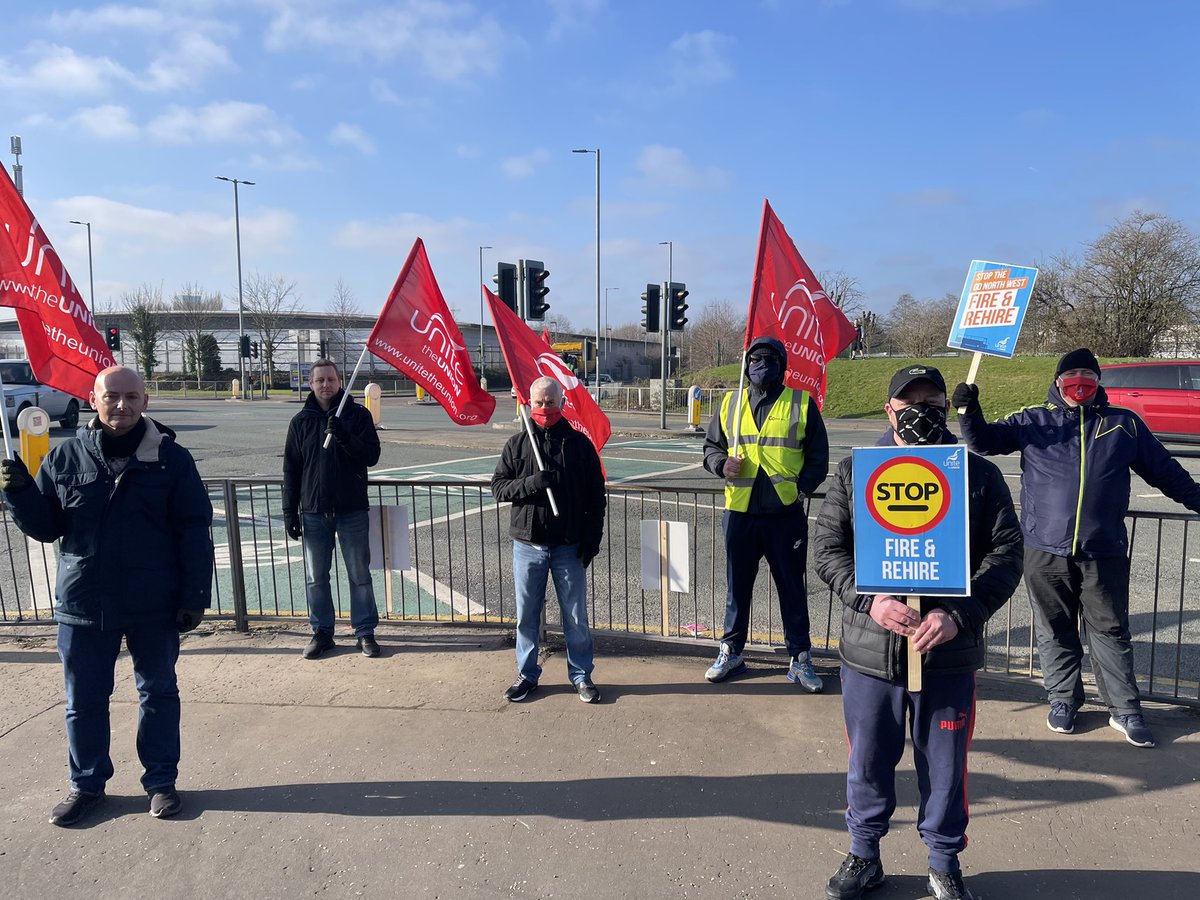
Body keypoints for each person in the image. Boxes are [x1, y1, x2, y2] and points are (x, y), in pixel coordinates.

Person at [814, 364, 1022, 900]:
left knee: (947, 770)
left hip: (947, 655)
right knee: (867, 761)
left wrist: (959, 615)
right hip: (871, 652)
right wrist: (871, 598)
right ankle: (864, 854)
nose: (922, 414)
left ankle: (944, 863)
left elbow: (1006, 556)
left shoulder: (977, 475)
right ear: (889, 410)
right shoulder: (852, 473)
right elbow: (828, 551)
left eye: (932, 404)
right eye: (910, 405)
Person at [953, 348, 1200, 749]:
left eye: (1088, 373)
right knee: (1055, 630)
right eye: (1072, 374)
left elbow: (1166, 473)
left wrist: (1197, 499)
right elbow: (985, 442)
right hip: (1044, 548)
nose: (1080, 380)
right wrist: (968, 412)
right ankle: (1064, 700)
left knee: (1111, 630)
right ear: (1057, 380)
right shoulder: (1033, 420)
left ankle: (1125, 709)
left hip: (1103, 551)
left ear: (1099, 381)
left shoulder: (1124, 425)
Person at [0, 366, 214, 826]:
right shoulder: (64, 458)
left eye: (132, 396)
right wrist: (18, 491)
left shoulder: (173, 460)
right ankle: (87, 785)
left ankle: (161, 782)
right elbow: (47, 527)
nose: (122, 405)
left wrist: (194, 594)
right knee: (83, 700)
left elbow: (194, 530)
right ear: (93, 400)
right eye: (112, 396)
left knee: (158, 692)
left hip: (152, 602)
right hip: (83, 601)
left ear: (145, 401)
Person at [701, 335, 828, 690]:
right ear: (747, 364)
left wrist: (800, 489)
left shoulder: (802, 403)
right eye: (755, 359)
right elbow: (711, 447)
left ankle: (800, 657)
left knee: (791, 588)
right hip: (739, 512)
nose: (762, 364)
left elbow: (818, 456)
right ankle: (731, 650)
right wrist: (720, 464)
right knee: (737, 588)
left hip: (784, 514)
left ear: (782, 365)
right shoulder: (731, 402)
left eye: (770, 359)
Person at [490, 376, 606, 703]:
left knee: (575, 617)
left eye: (550, 402)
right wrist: (532, 483)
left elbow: (596, 498)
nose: (544, 408)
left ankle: (581, 675)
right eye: (539, 402)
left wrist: (591, 540)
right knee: (527, 616)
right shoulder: (517, 444)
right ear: (529, 402)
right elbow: (499, 487)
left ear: (562, 403)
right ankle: (527, 675)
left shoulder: (580, 445)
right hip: (528, 545)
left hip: (569, 546)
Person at [283, 358, 382, 659]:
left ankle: (364, 631)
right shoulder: (300, 422)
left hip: (351, 509)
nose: (326, 385)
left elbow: (372, 455)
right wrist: (290, 511)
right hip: (314, 511)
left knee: (359, 575)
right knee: (316, 578)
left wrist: (343, 435)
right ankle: (322, 631)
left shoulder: (357, 415)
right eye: (319, 380)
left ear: (340, 381)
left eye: (331, 379)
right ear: (311, 384)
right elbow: (292, 469)